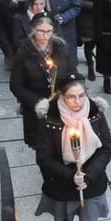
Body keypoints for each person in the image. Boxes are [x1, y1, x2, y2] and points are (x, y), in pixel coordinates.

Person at [34, 73, 111, 221]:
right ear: (61, 95)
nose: (77, 102)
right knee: (63, 219)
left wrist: (88, 175)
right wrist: (70, 176)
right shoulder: (50, 119)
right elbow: (44, 157)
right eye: (71, 97)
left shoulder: (95, 114)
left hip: (91, 183)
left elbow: (106, 148)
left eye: (81, 96)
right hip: (61, 184)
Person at [9, 13, 76, 148]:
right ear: (33, 30)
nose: (45, 35)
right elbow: (16, 86)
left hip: (61, 107)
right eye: (41, 31)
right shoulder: (23, 53)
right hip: (36, 112)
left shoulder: (61, 48)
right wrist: (40, 103)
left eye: (49, 31)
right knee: (42, 147)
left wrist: (69, 93)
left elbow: (72, 73)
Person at [44, 0, 81, 69]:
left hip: (67, 27)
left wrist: (64, 17)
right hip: (50, 26)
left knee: (69, 53)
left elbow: (76, 7)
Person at [72, 0, 102, 81]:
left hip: (99, 15)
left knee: (97, 40)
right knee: (89, 42)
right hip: (86, 17)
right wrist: (93, 5)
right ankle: (90, 65)